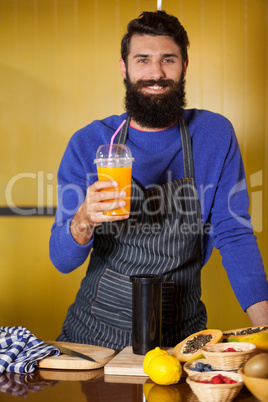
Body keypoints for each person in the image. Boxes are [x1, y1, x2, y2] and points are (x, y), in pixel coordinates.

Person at [49, 10, 268, 349]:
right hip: (95, 339)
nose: (156, 73)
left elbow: (234, 233)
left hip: (182, 342)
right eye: (143, 60)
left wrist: (266, 329)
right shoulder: (89, 142)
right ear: (124, 68)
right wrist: (82, 221)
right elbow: (62, 261)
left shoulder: (214, 134)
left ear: (185, 65)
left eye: (168, 59)